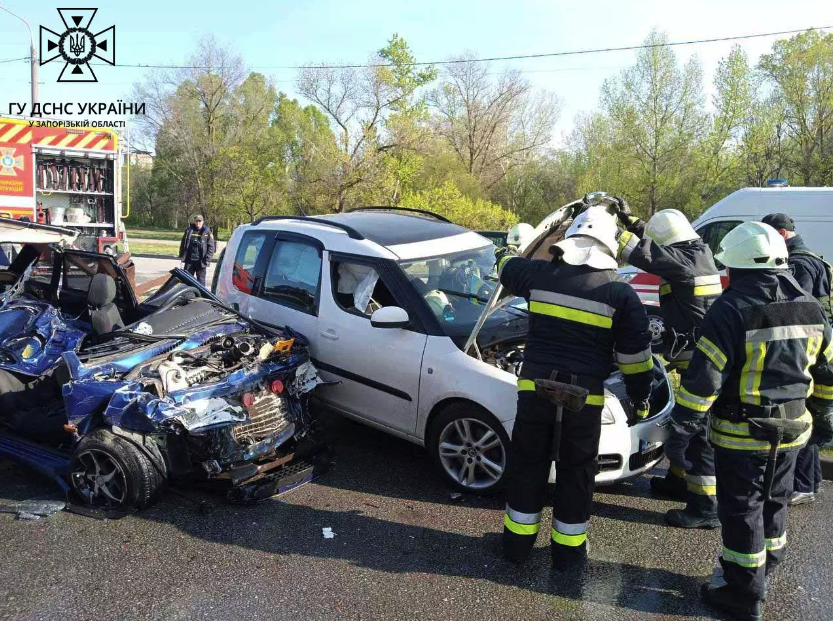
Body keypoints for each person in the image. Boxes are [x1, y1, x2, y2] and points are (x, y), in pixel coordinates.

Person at [663, 221, 833, 621]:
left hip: (743, 435)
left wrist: (682, 429)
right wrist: (824, 419)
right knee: (775, 503)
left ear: (737, 267)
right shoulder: (811, 306)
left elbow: (703, 381)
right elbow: (827, 372)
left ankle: (745, 594)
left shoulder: (731, 309)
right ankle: (765, 568)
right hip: (794, 431)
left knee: (742, 510)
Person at [497, 206, 654, 571]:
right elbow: (635, 359)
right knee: (577, 471)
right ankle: (567, 555)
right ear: (609, 244)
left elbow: (506, 266)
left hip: (534, 389)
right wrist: (640, 397)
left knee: (528, 464)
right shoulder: (620, 293)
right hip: (585, 397)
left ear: (570, 240)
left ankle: (516, 546)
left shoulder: (538, 274)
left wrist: (506, 247)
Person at [616, 204, 722, 529]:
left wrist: (604, 228)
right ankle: (679, 481)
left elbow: (646, 254)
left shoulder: (683, 262)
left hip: (700, 362)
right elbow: (657, 246)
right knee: (684, 425)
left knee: (697, 431)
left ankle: (706, 507)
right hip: (702, 356)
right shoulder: (698, 250)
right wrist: (632, 220)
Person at [762, 212, 832, 506]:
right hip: (817, 343)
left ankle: (803, 484)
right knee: (805, 414)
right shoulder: (810, 256)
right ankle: (810, 482)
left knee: (798, 411)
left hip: (807, 346)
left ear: (780, 234)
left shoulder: (799, 264)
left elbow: (795, 307)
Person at [178, 215, 216, 286]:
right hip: (189, 261)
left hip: (201, 261)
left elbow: (211, 247)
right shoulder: (189, 231)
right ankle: (187, 296)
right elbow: (183, 243)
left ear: (202, 222)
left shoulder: (207, 232)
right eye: (196, 221)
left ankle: (201, 296)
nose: (198, 223)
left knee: (201, 282)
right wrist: (182, 255)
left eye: (199, 221)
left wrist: (207, 259)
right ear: (194, 221)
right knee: (187, 280)